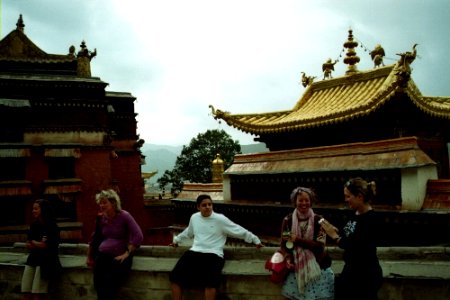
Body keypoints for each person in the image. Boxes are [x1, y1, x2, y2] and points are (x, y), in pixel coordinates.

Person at [169, 194, 264, 300]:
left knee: (210, 283)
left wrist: (255, 240)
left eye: (210, 204)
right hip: (195, 251)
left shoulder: (220, 219)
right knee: (175, 278)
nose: (208, 207)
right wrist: (177, 240)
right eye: (204, 205)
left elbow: (238, 230)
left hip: (214, 254)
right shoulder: (194, 218)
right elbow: (188, 232)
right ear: (198, 207)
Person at [320, 177, 383, 300]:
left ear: (359, 196)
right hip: (350, 271)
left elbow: (355, 245)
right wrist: (334, 230)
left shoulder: (372, 219)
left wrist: (335, 236)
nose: (346, 200)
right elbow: (349, 235)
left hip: (365, 275)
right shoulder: (355, 214)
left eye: (348, 196)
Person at [86, 189, 144, 300]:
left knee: (110, 287)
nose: (101, 205)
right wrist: (89, 256)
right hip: (102, 257)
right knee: (98, 286)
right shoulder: (101, 218)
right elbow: (95, 238)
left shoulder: (124, 216)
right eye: (100, 203)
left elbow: (138, 235)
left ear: (113, 202)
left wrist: (127, 253)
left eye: (104, 202)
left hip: (117, 258)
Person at [280, 187, 334, 300]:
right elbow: (284, 244)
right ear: (295, 202)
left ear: (311, 201)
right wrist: (288, 258)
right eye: (300, 200)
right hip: (296, 268)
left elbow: (320, 247)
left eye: (307, 200)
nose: (304, 203)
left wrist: (297, 240)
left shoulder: (319, 221)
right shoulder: (288, 221)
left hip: (318, 268)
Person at [21, 199, 61, 300]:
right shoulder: (34, 225)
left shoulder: (52, 226)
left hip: (45, 262)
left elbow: (47, 246)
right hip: (32, 260)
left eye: (36, 209)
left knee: (37, 292)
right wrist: (37, 243)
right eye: (33, 209)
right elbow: (28, 244)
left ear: (43, 210)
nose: (33, 211)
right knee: (25, 290)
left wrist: (34, 242)